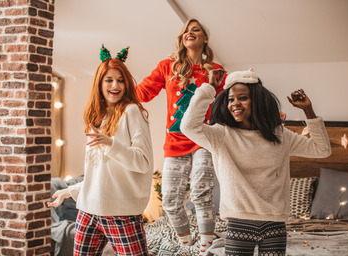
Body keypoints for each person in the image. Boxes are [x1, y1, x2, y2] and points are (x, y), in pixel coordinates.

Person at [181, 69, 331, 256]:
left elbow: (322, 149)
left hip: (274, 225)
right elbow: (188, 126)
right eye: (230, 99)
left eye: (242, 98)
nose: (235, 103)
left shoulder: (280, 135)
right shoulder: (221, 135)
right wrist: (210, 88)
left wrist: (308, 110)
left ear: (257, 101)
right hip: (239, 224)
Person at [48, 45, 153, 256]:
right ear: (99, 83)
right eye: (109, 80)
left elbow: (143, 162)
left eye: (121, 80)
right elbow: (100, 175)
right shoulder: (95, 117)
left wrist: (110, 144)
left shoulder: (132, 112)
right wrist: (70, 191)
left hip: (121, 213)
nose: (115, 85)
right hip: (88, 210)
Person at [135, 18, 225, 254]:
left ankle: (205, 248)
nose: (189, 32)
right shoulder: (168, 66)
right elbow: (143, 93)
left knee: (201, 192)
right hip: (175, 143)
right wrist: (118, 87)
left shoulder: (216, 72)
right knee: (171, 201)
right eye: (186, 30)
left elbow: (230, 105)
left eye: (195, 30)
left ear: (205, 38)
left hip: (204, 139)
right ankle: (185, 245)